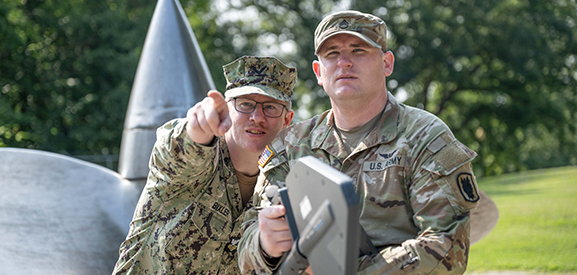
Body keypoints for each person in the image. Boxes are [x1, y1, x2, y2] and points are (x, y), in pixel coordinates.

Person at [238, 10, 480, 275]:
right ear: (319, 72)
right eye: (332, 54)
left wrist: (343, 271)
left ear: (387, 63)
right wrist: (264, 245)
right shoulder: (292, 146)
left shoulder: (425, 138)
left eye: (359, 50)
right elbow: (247, 241)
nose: (344, 62)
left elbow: (445, 250)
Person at [112, 56, 296, 274]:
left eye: (271, 107)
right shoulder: (199, 158)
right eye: (245, 104)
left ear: (287, 119)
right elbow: (178, 153)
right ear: (228, 109)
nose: (257, 117)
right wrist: (197, 131)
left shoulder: (282, 185)